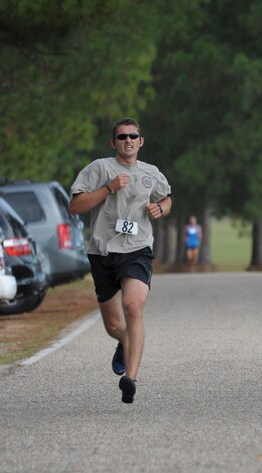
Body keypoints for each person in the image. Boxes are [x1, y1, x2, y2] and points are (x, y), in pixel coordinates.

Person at [69, 117, 172, 404]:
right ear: (113, 142)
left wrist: (160, 209)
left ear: (141, 141)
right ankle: (124, 342)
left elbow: (167, 199)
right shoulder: (99, 169)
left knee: (133, 307)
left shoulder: (151, 173)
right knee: (114, 325)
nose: (128, 140)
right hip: (103, 252)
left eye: (133, 136)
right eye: (122, 136)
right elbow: (75, 206)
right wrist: (108, 189)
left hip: (137, 249)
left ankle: (131, 379)